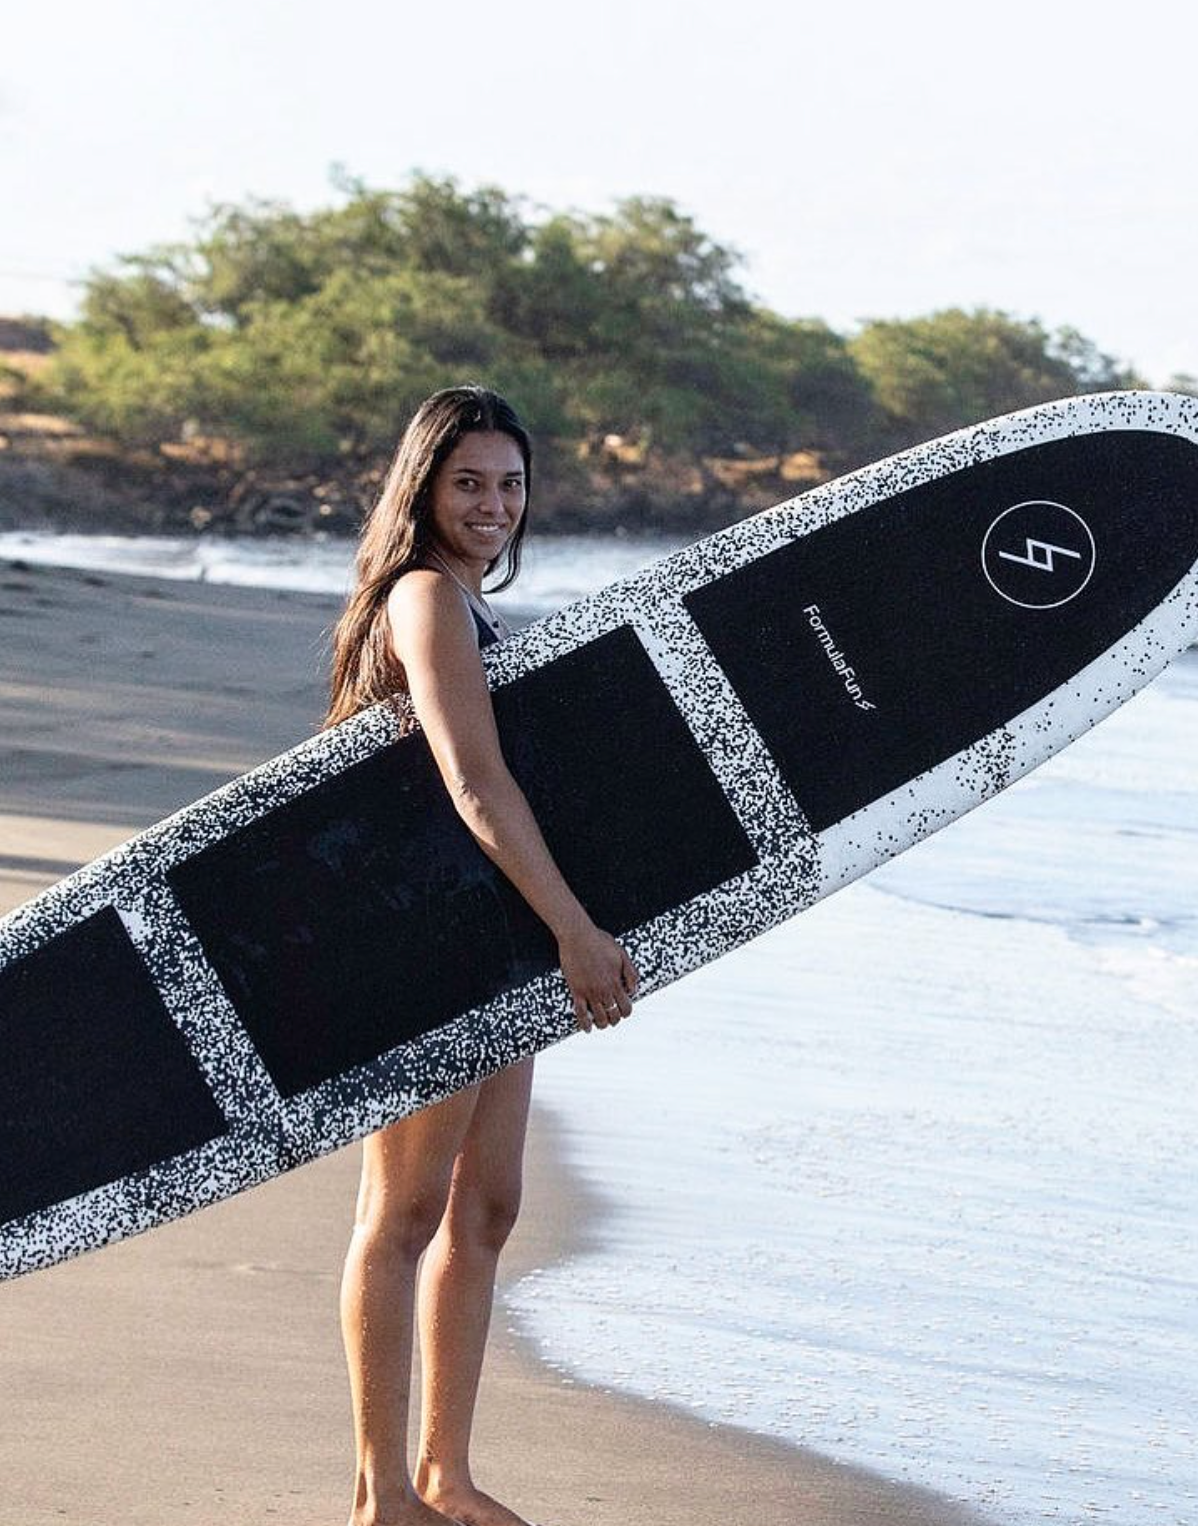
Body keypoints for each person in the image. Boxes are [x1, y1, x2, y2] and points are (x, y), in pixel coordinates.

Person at [325, 385, 639, 1526]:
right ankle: (380, 1490)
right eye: (468, 482)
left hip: (491, 940)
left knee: (488, 1206)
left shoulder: (465, 602)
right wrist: (573, 927)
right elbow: (471, 780)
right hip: (434, 947)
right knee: (403, 1214)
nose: (493, 505)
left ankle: (446, 1472)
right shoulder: (424, 598)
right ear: (424, 487)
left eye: (510, 484)